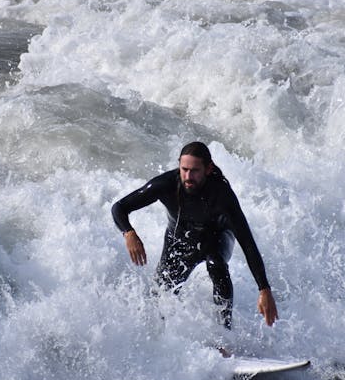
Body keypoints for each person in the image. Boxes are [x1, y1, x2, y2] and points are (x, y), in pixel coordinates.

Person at [111, 141, 278, 329]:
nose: (188, 176)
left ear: (208, 169)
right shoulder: (165, 185)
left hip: (216, 237)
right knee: (161, 294)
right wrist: (128, 232)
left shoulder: (222, 195)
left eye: (195, 171)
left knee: (216, 265)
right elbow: (119, 207)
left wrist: (264, 289)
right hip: (179, 239)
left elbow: (247, 242)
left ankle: (224, 335)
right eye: (184, 169)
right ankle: (159, 337)